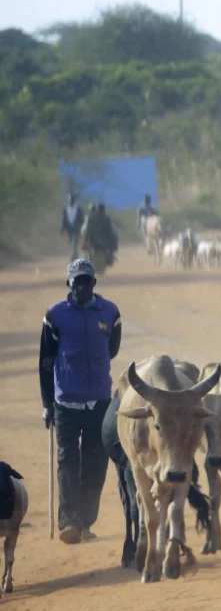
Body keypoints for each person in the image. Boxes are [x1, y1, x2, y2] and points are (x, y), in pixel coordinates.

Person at [40, 258, 122, 544]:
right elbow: (46, 362)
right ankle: (68, 522)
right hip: (66, 404)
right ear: (69, 284)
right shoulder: (55, 315)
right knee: (67, 461)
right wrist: (47, 404)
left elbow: (111, 349)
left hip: (99, 402)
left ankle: (86, 521)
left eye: (87, 281)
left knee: (95, 463)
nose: (82, 286)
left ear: (94, 283)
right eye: (77, 282)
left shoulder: (110, 312)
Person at [59, 193, 84, 261]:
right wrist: (62, 229)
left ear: (74, 200)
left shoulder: (78, 209)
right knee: (71, 243)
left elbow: (82, 220)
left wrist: (79, 225)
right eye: (70, 199)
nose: (71, 200)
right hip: (69, 230)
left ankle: (72, 258)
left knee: (74, 243)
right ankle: (75, 256)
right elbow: (64, 220)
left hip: (76, 229)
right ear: (68, 200)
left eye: (72, 199)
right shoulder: (66, 209)